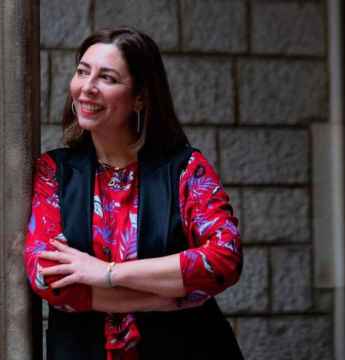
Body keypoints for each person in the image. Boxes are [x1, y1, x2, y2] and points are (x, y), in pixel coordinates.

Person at [23, 27, 244, 360]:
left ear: (140, 96)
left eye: (107, 78)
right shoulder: (54, 171)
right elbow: (47, 277)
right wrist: (167, 296)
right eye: (83, 72)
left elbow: (225, 259)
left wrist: (106, 273)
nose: (87, 88)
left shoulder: (185, 168)